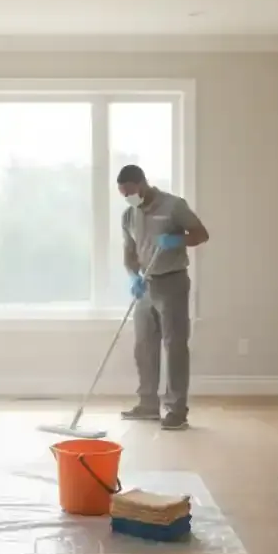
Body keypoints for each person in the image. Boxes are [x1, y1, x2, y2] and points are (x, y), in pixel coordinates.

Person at [117, 164, 209, 430]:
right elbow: (129, 252)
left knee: (175, 346)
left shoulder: (174, 206)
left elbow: (201, 234)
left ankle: (176, 409)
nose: (128, 197)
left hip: (172, 282)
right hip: (145, 285)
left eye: (131, 191)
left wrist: (177, 239)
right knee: (144, 346)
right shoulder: (129, 215)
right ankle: (148, 404)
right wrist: (133, 276)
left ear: (143, 184)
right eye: (123, 194)